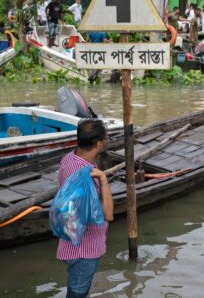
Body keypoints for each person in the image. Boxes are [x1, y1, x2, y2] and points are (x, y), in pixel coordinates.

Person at [56, 119, 113, 298]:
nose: (107, 140)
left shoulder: (70, 158)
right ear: (99, 143)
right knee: (77, 292)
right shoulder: (87, 177)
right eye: (106, 138)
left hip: (70, 241)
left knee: (78, 288)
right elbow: (108, 215)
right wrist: (103, 180)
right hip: (84, 250)